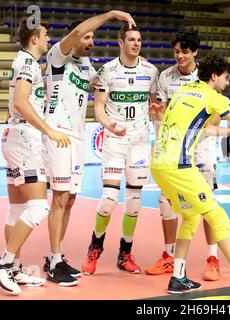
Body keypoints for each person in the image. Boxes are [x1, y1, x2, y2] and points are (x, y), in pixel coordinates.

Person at [149, 54, 230, 296]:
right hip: (180, 166)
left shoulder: (184, 91)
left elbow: (205, 129)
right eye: (226, 77)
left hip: (158, 164)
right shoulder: (213, 98)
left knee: (190, 216)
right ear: (215, 75)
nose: (227, 82)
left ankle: (178, 277)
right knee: (217, 216)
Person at [42, 11, 136, 286]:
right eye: (87, 36)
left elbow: (106, 83)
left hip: (78, 137)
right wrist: (111, 15)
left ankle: (54, 256)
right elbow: (75, 32)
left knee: (69, 198)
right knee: (59, 198)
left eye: (93, 37)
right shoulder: (57, 56)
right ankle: (54, 260)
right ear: (75, 37)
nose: (91, 40)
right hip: (58, 132)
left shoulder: (86, 66)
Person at [145, 30, 230, 281]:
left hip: (202, 146)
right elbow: (162, 114)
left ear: (195, 53)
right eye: (176, 51)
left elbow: (217, 117)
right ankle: (170, 258)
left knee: (207, 204)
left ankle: (212, 259)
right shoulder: (165, 77)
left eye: (184, 51)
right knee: (170, 205)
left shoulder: (208, 80)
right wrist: (157, 115)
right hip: (175, 150)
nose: (179, 56)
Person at [0, 20, 71, 295]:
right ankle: (4, 263)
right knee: (39, 206)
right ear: (34, 39)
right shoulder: (28, 63)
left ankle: (14, 268)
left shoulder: (24, 61)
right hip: (25, 139)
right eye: (46, 35)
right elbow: (22, 102)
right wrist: (49, 129)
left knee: (16, 209)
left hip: (15, 137)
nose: (49, 39)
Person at [81, 23, 158, 275]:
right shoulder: (108, 71)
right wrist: (109, 125)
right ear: (120, 42)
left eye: (139, 40)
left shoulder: (151, 71)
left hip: (139, 142)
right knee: (109, 198)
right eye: (131, 39)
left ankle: (125, 254)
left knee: (134, 202)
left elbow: (156, 105)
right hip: (115, 141)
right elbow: (99, 107)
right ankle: (96, 246)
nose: (136, 43)